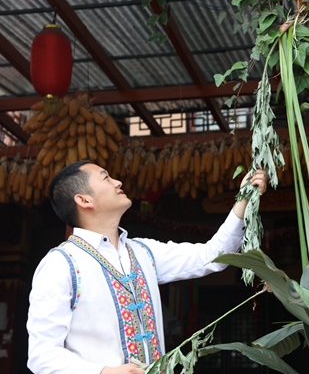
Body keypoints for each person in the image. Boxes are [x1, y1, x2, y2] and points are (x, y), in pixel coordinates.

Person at [27, 160, 268, 374]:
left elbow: (211, 256)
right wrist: (104, 372)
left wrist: (243, 200)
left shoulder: (144, 252)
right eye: (106, 177)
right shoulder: (61, 264)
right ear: (83, 200)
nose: (118, 182)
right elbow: (42, 355)